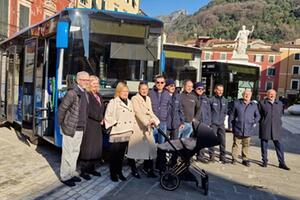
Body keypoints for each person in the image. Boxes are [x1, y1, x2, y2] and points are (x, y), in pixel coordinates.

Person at [58, 71, 90, 187]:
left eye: (88, 80)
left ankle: (71, 172)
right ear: (79, 80)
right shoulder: (72, 93)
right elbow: (62, 110)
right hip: (71, 128)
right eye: (85, 80)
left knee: (75, 152)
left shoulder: (85, 93)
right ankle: (64, 176)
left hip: (81, 128)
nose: (87, 82)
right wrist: (62, 125)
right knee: (67, 153)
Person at [127, 81, 160, 178]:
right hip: (138, 127)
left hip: (148, 127)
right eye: (142, 89)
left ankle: (148, 169)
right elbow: (138, 113)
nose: (144, 91)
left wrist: (156, 120)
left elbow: (150, 112)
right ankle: (134, 170)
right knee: (134, 150)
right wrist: (147, 122)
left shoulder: (148, 99)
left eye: (146, 89)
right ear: (139, 89)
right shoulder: (134, 98)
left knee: (151, 148)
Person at [104, 82, 136, 182]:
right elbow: (107, 116)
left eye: (127, 91)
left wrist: (132, 128)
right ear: (118, 92)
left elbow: (133, 116)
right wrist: (115, 123)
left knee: (121, 155)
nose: (125, 93)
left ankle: (119, 172)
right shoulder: (113, 102)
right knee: (114, 155)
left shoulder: (130, 102)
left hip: (127, 132)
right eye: (123, 91)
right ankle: (113, 174)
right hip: (117, 132)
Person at [79, 75, 105, 179]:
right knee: (87, 148)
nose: (95, 85)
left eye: (96, 83)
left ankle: (92, 169)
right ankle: (84, 171)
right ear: (89, 84)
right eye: (93, 83)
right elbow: (88, 110)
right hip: (90, 124)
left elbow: (101, 108)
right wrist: (100, 118)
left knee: (95, 148)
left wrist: (102, 117)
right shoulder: (87, 95)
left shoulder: (98, 95)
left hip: (97, 125)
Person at [259, 89, 290, 170]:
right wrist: (263, 122)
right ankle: (264, 161)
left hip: (277, 128)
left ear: (275, 95)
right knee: (264, 145)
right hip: (265, 127)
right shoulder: (262, 103)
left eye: (273, 94)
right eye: (270, 94)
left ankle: (282, 163)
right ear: (267, 94)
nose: (272, 95)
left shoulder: (280, 104)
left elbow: (280, 114)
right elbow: (259, 115)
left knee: (279, 146)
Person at [229, 89, 260, 167]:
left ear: (251, 95)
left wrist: (254, 122)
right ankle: (234, 158)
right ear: (242, 95)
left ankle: (245, 159)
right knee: (236, 144)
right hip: (238, 128)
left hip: (248, 129)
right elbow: (231, 115)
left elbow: (258, 116)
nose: (247, 95)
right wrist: (230, 126)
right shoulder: (237, 103)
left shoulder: (254, 105)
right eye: (245, 94)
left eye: (248, 94)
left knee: (246, 145)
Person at [209, 84, 228, 164]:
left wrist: (223, 119)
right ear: (215, 90)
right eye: (219, 90)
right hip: (213, 123)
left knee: (222, 141)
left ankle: (222, 157)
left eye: (221, 90)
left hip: (221, 124)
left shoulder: (225, 100)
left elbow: (225, 112)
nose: (220, 92)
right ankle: (212, 156)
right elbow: (208, 112)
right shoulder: (211, 100)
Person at [149, 75, 171, 144]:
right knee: (152, 143)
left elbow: (169, 109)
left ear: (164, 83)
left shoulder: (167, 94)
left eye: (162, 82)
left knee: (162, 144)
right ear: (155, 83)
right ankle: (153, 155)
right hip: (153, 122)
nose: (159, 84)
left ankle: (161, 155)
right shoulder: (150, 93)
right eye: (158, 82)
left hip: (163, 122)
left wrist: (168, 122)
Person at [193, 82, 211, 163]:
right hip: (193, 122)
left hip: (203, 122)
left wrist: (208, 122)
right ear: (195, 89)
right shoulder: (192, 97)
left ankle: (200, 156)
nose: (200, 90)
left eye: (202, 89)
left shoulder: (206, 99)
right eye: (198, 88)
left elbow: (208, 112)